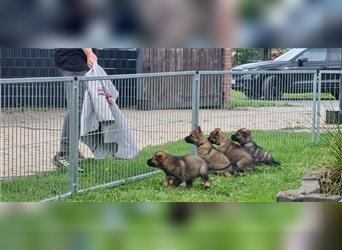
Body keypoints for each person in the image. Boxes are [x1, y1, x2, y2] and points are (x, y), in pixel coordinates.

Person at [52, 48, 97, 171]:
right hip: (73, 62)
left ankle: (72, 151)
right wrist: (89, 53)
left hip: (77, 62)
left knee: (80, 107)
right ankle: (64, 153)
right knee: (77, 108)